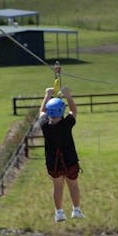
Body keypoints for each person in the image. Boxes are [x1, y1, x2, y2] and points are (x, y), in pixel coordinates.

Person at [39, 86, 85, 222]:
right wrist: (67, 95)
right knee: (73, 185)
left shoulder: (44, 125)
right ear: (61, 111)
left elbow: (41, 111)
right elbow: (74, 110)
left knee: (58, 187)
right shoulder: (67, 124)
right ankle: (76, 210)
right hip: (69, 161)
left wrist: (47, 94)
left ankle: (59, 213)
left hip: (53, 163)